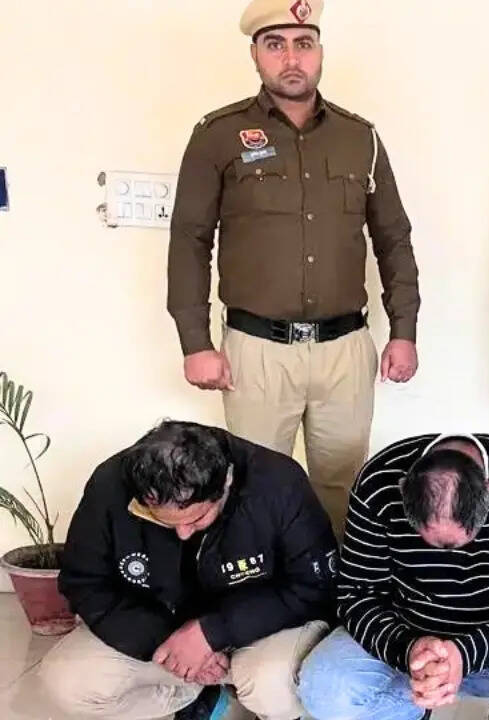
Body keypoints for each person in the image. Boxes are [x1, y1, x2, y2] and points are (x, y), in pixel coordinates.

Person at [167, 0, 421, 535]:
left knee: (344, 487)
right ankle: (262, 588)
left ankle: (338, 586)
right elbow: (190, 239)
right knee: (252, 489)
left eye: (303, 44)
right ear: (255, 54)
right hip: (257, 351)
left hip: (344, 350)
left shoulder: (360, 138)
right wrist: (195, 342)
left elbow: (393, 239)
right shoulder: (218, 135)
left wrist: (404, 331)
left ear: (319, 51)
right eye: (275, 44)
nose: (291, 58)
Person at [40, 421, 336, 720]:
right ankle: (195, 694)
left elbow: (314, 587)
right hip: (161, 634)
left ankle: (241, 697)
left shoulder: (278, 482)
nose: (183, 533)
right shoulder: (110, 484)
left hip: (259, 631)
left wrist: (213, 632)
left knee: (272, 687)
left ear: (226, 484)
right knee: (67, 683)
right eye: (162, 521)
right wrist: (167, 642)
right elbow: (85, 583)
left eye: (197, 519)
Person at [297, 433, 489, 719]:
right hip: (402, 639)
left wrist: (464, 654)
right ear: (403, 490)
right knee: (322, 690)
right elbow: (357, 595)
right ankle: (408, 709)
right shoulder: (376, 483)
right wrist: (408, 649)